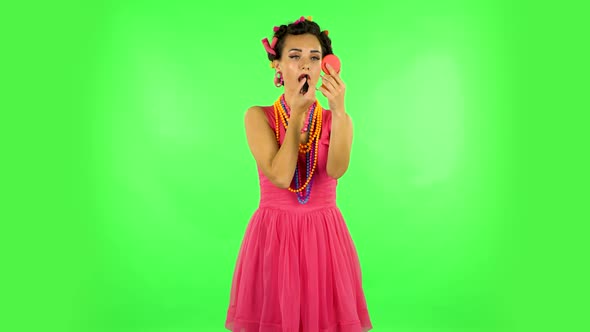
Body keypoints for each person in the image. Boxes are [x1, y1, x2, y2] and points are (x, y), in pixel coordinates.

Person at [225, 16, 373, 332]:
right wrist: (297, 116)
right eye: (294, 57)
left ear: (327, 67)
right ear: (277, 66)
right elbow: (280, 176)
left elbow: (336, 170)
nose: (305, 64)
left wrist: (339, 111)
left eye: (314, 57)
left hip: (325, 236)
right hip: (274, 236)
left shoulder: (339, 120)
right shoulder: (257, 116)